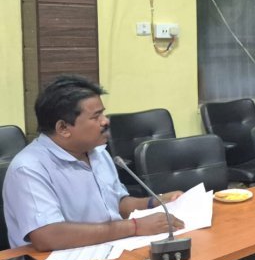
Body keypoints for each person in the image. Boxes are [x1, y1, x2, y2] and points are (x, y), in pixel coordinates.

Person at [3, 75, 184, 251]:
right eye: (96, 117)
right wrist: (135, 226)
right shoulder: (29, 168)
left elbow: (117, 204)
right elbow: (48, 236)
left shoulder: (97, 153)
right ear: (63, 128)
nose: (105, 121)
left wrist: (156, 202)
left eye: (103, 113)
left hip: (108, 249)